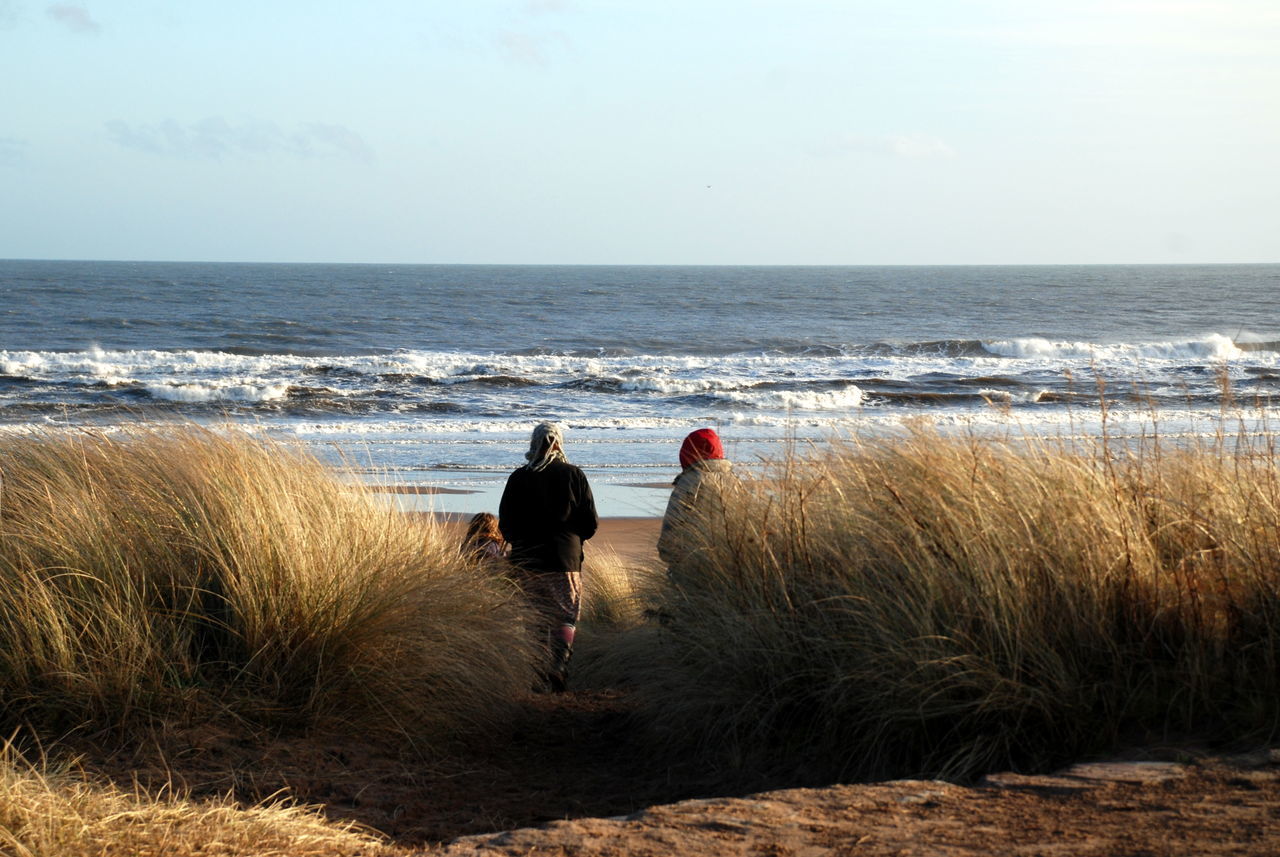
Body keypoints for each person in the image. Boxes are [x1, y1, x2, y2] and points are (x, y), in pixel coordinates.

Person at [499, 421, 598, 692]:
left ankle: (536, 674)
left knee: (534, 618)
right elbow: (590, 523)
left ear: (533, 444)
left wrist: (521, 542)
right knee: (565, 615)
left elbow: (505, 526)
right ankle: (557, 666)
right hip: (563, 560)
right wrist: (573, 541)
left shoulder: (518, 478)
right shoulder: (573, 475)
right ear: (559, 443)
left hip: (526, 561)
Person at [657, 428, 735, 572]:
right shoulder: (736, 482)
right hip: (732, 565)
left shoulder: (689, 483)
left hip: (692, 567)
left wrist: (671, 557)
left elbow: (670, 532)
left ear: (688, 453)